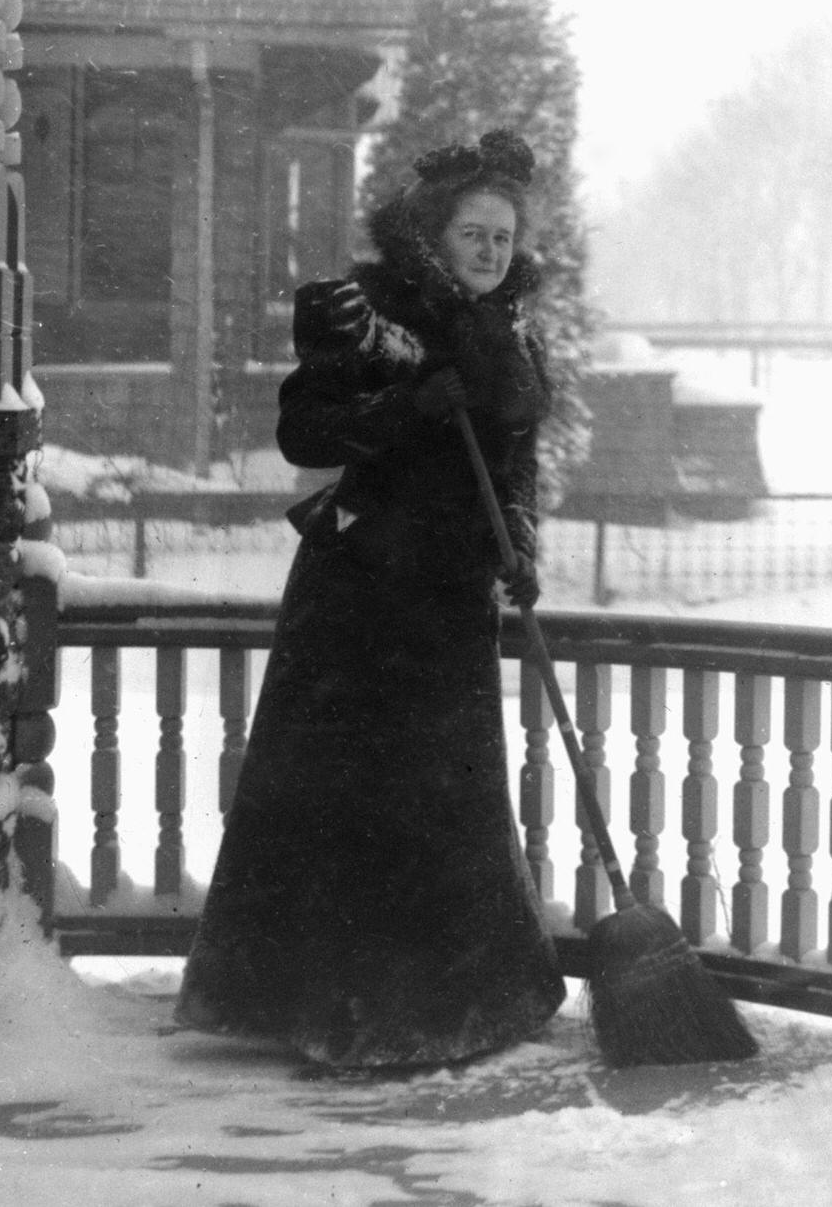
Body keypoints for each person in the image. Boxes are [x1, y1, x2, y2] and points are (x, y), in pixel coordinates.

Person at [174, 128, 567, 1069]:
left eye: (503, 236)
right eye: (473, 233)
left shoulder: (511, 335)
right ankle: (325, 1010)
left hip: (448, 602)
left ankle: (445, 1009)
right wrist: (407, 408)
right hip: (360, 595)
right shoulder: (366, 313)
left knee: (443, 805)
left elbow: (514, 463)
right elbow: (305, 432)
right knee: (348, 800)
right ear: (434, 234)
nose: (490, 251)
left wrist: (517, 545)